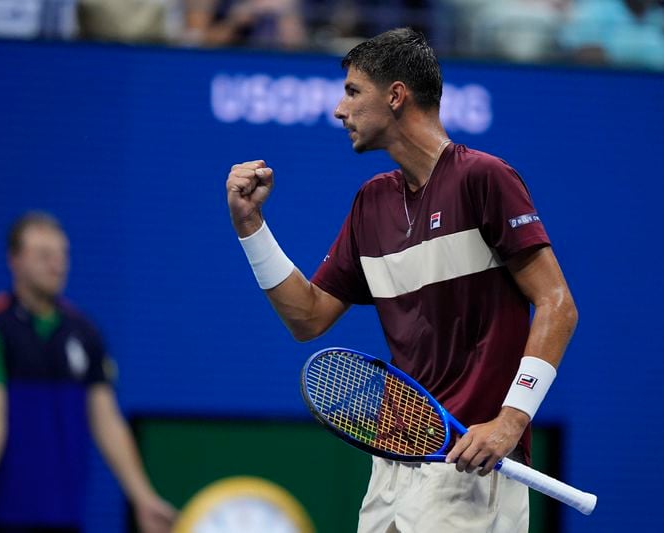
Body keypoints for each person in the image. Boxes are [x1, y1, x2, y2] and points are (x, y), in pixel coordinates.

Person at [225, 28, 578, 532]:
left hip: (467, 467)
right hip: (393, 465)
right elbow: (308, 317)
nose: (338, 110)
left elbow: (558, 304)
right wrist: (250, 226)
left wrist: (511, 419)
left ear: (395, 96)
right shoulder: (372, 202)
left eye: (352, 92)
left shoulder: (484, 178)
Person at [0, 211, 176, 533]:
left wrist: (143, 497)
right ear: (15, 260)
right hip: (4, 514)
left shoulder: (85, 332)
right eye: (44, 255)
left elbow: (106, 420)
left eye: (63, 254)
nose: (57, 264)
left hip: (66, 514)